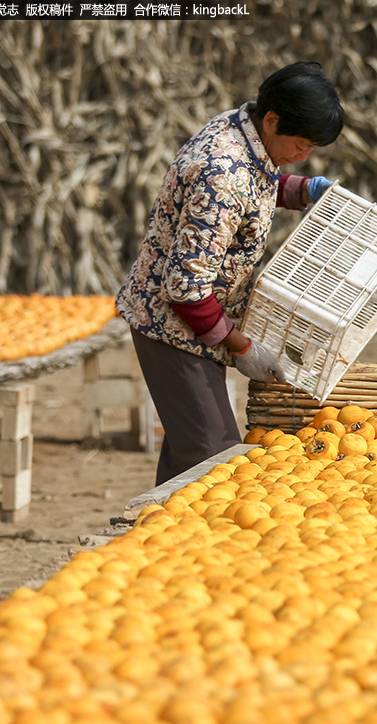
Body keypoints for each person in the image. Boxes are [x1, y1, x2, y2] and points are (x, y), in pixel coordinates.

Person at [116, 61, 344, 485]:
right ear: (273, 120)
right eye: (300, 145)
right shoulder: (220, 169)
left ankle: (159, 545)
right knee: (213, 461)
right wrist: (243, 347)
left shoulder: (244, 131)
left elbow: (255, 184)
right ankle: (179, 547)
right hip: (172, 328)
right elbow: (185, 287)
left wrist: (301, 189)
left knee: (191, 455)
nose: (302, 156)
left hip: (193, 324)